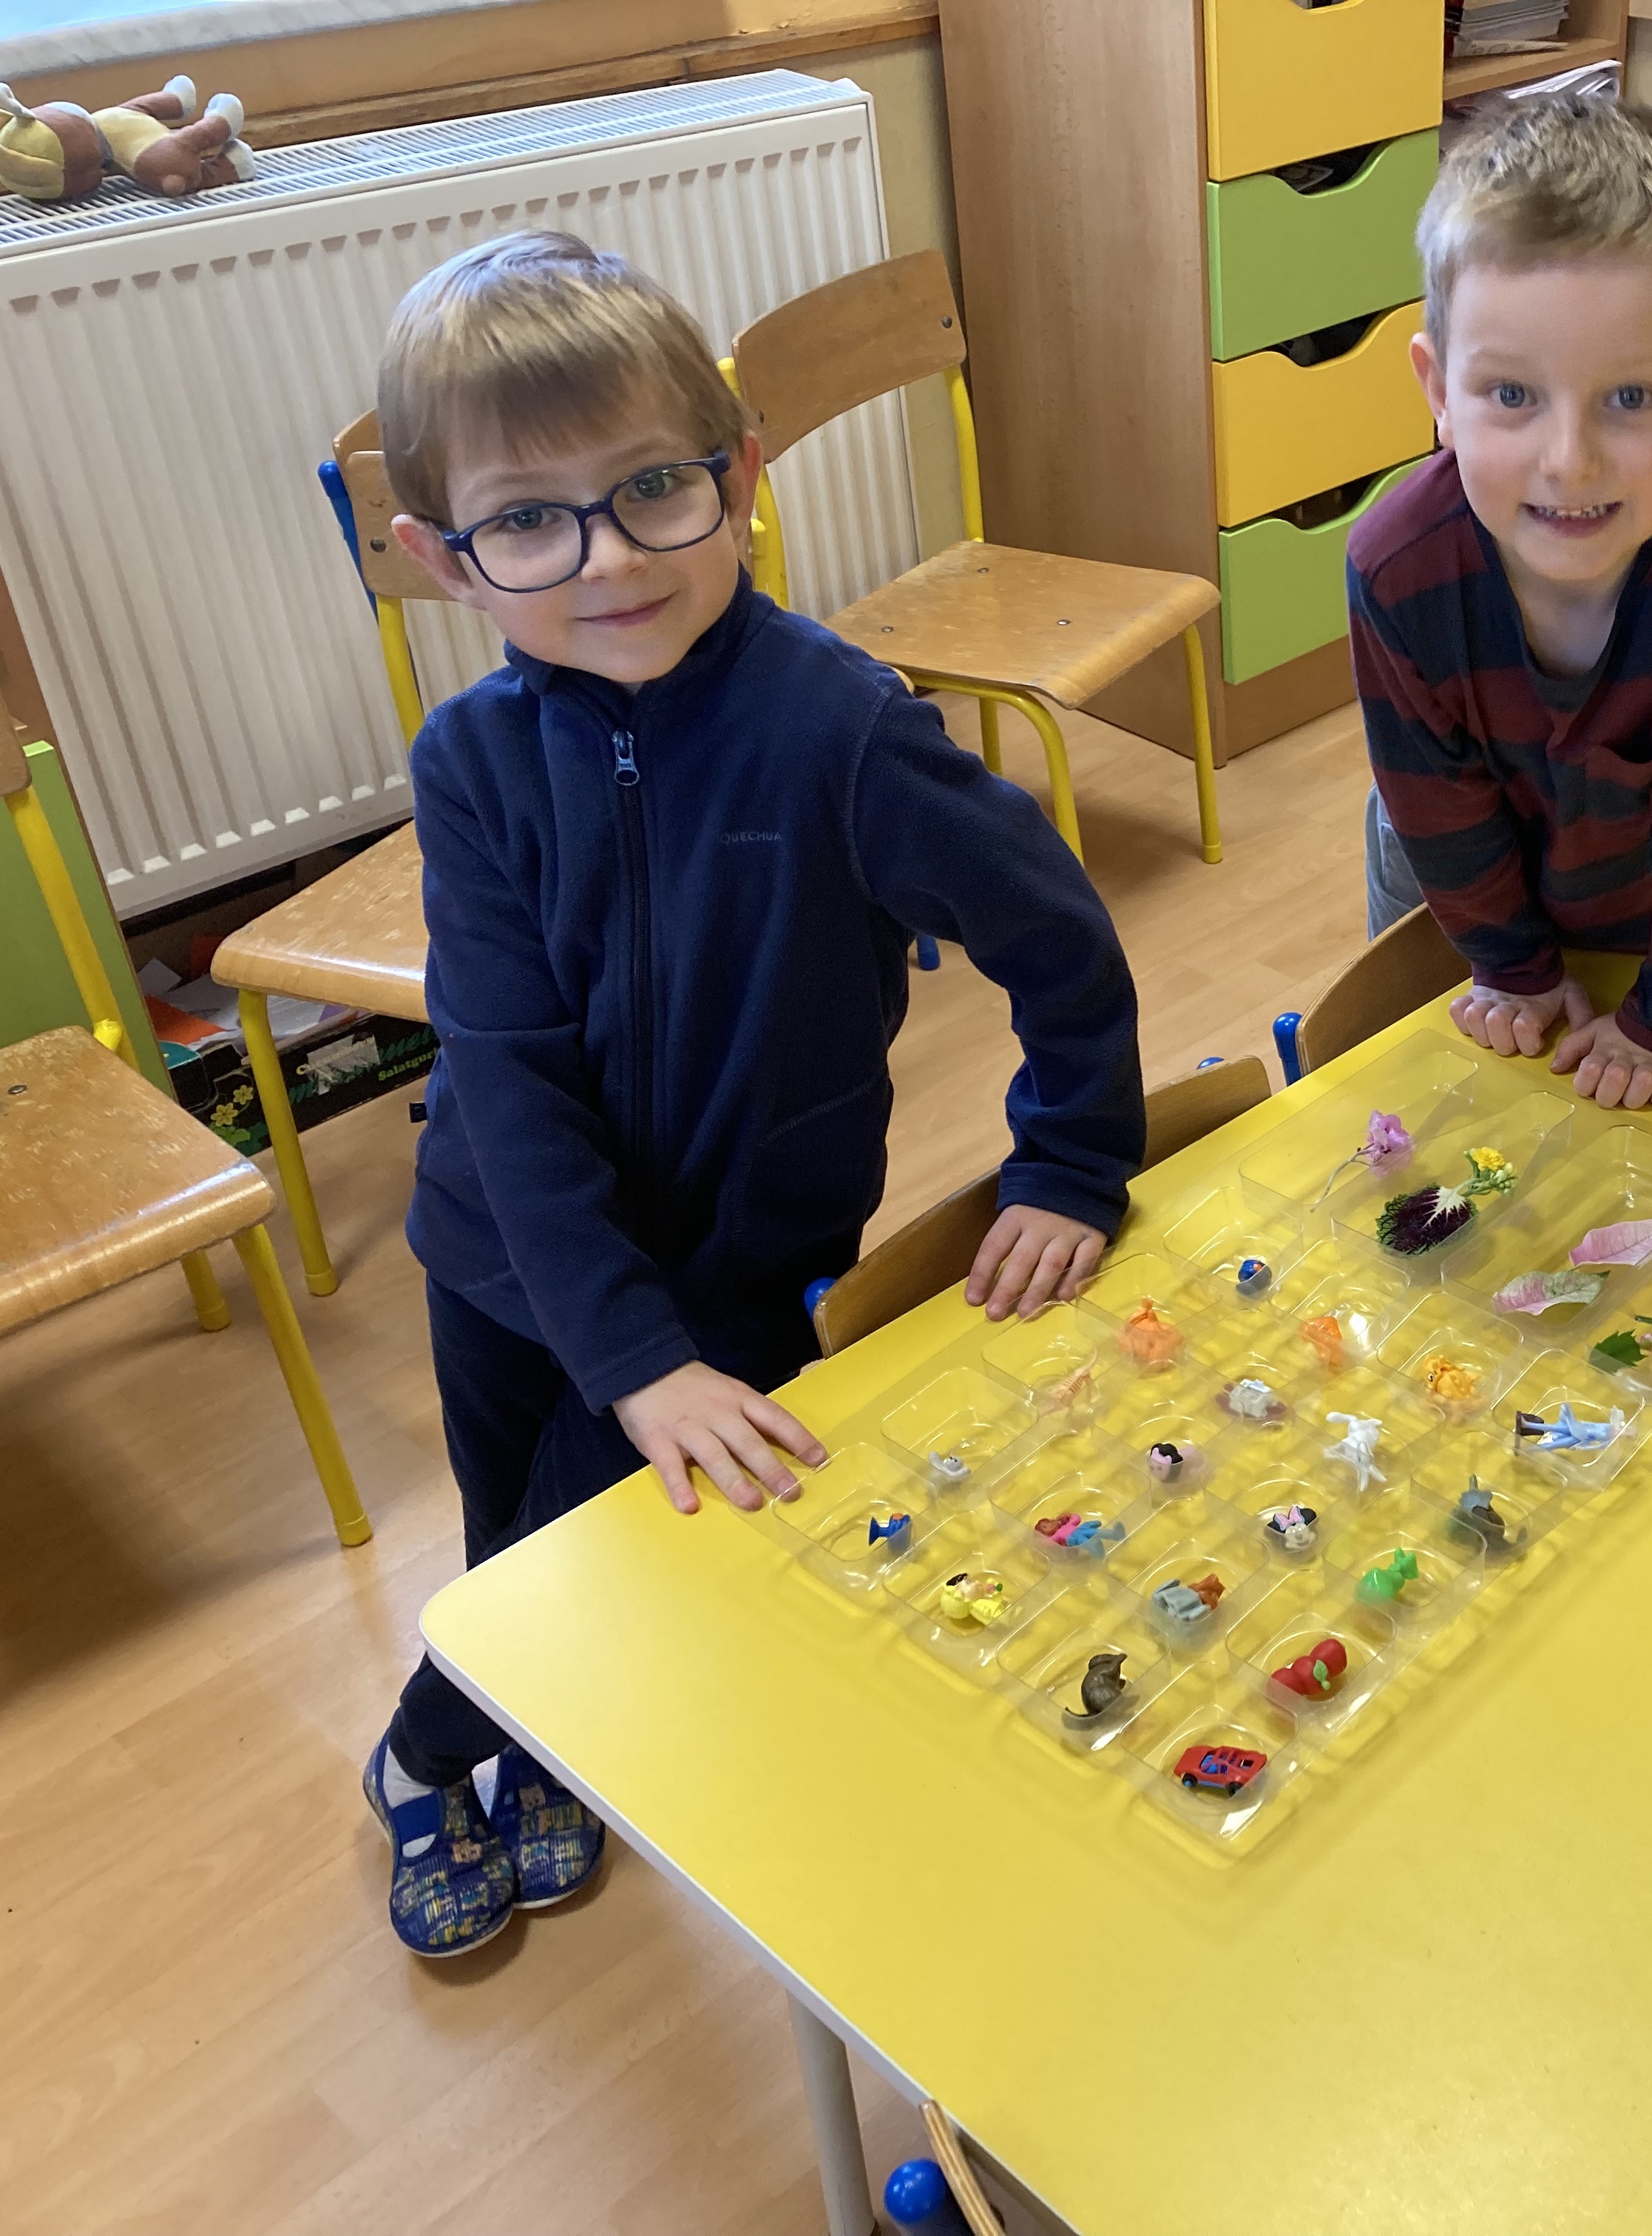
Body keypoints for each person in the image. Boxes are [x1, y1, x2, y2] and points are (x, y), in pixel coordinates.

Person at [363, 232, 1142, 1957]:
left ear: (741, 473)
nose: (607, 558)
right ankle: (516, 1730)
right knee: (520, 1544)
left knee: (588, 1546)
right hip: (498, 1255)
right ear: (442, 560)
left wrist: (1072, 1159)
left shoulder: (844, 732)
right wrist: (624, 1357)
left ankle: (422, 1749)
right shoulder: (468, 765)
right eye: (527, 520)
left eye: (653, 488)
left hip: (737, 1266)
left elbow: (1059, 937)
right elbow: (505, 1073)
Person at [1350, 93, 1652, 1111]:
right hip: (1449, 891)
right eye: (1512, 394)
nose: (1569, 461)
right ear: (1439, 393)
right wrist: (1509, 964)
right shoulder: (1394, 568)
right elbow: (1437, 807)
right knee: (1434, 1108)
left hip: (1641, 908)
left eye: (1629, 398)